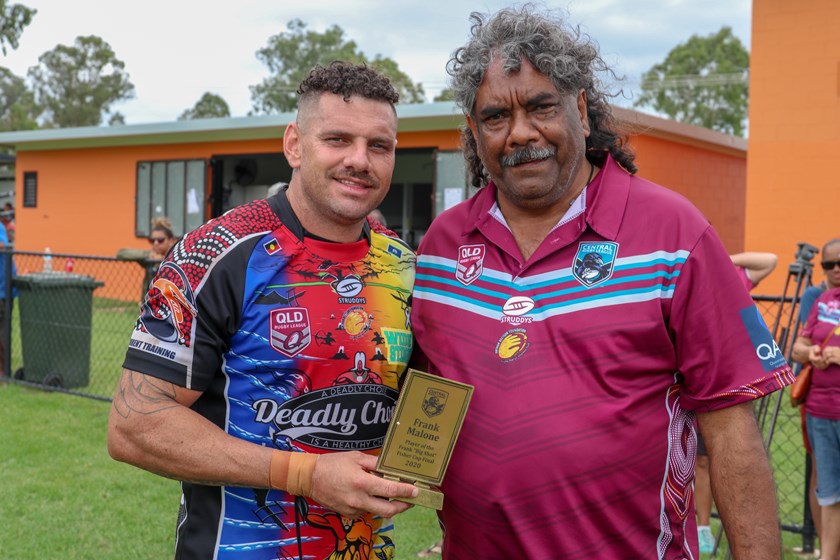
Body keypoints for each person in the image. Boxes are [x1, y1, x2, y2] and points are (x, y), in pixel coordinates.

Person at [410, 6, 793, 559]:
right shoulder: (442, 246)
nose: (521, 133)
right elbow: (431, 388)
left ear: (582, 111)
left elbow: (731, 430)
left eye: (541, 106)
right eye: (495, 117)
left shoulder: (673, 232)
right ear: (474, 132)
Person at [107, 61, 420, 560]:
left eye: (378, 145)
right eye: (337, 139)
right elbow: (134, 427)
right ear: (294, 144)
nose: (360, 160)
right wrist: (307, 475)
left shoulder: (403, 266)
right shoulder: (215, 253)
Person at [694, 250, 778, 552]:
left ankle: (718, 530)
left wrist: (725, 257)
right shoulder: (681, 277)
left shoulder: (734, 277)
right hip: (687, 382)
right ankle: (696, 527)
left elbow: (770, 260)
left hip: (728, 384)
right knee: (693, 463)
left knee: (729, 456)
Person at [792, 238, 840, 559]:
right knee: (829, 492)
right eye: (829, 264)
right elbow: (797, 347)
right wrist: (812, 352)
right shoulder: (822, 301)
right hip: (821, 411)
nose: (836, 270)